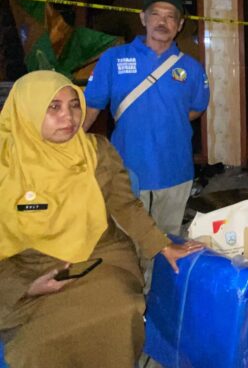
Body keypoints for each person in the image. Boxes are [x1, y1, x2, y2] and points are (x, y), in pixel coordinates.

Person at [0, 71, 203, 367]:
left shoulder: (96, 151)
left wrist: (162, 245)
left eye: (74, 105)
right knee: (36, 345)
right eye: (53, 107)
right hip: (25, 266)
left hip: (98, 257)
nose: (69, 117)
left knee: (122, 307)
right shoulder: (5, 161)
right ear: (26, 110)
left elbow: (125, 205)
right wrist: (26, 286)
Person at [83, 0, 210, 235]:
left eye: (170, 17)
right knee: (127, 241)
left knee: (167, 241)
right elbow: (92, 105)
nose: (162, 22)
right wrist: (68, 146)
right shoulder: (113, 59)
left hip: (175, 170)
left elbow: (197, 108)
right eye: (155, 15)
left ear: (180, 25)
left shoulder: (192, 68)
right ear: (143, 18)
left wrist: (166, 121)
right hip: (127, 170)